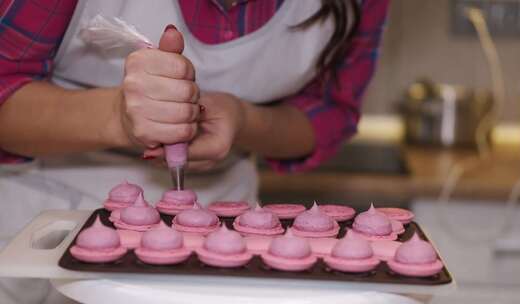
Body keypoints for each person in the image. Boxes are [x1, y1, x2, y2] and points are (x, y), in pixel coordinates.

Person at [0, 0, 389, 303]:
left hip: (227, 215)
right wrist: (115, 118)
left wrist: (244, 121)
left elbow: (328, 112)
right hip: (42, 207)